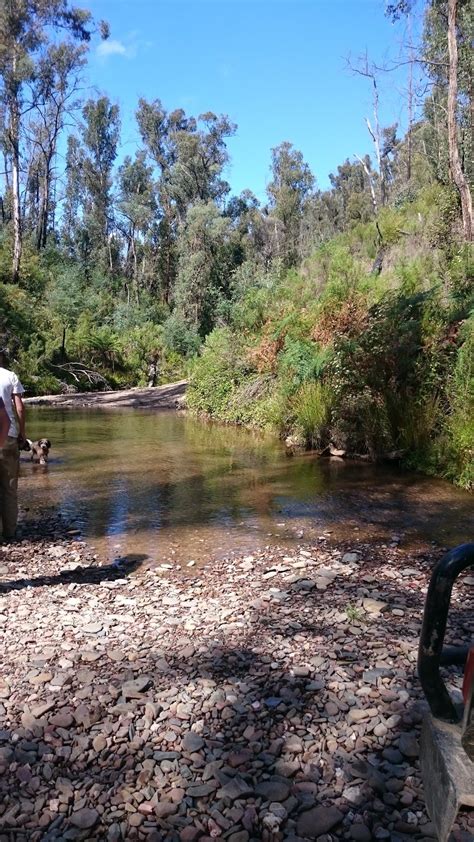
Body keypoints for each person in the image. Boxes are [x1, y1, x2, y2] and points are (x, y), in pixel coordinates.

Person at [0, 348, 27, 540]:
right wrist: (22, 434)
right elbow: (19, 408)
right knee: (9, 488)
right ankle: (9, 532)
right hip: (7, 435)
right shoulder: (10, 376)